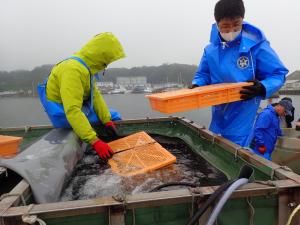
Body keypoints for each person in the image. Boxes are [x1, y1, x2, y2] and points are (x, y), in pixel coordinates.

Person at [190, 0, 288, 147]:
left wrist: (262, 87)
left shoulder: (256, 46)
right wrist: (197, 84)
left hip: (244, 115)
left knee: (237, 153)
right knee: (215, 149)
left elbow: (278, 73)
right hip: (218, 114)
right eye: (225, 26)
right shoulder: (210, 50)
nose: (231, 30)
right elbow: (203, 74)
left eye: (236, 24)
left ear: (242, 20)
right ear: (217, 24)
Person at [37, 32, 125, 160]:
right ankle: (92, 139)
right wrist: (95, 141)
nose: (106, 65)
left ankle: (98, 131)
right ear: (100, 56)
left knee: (113, 115)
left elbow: (96, 97)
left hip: (74, 109)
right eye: (107, 61)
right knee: (110, 117)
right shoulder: (72, 70)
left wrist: (107, 121)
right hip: (62, 113)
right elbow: (72, 110)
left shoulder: (86, 68)